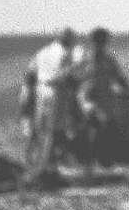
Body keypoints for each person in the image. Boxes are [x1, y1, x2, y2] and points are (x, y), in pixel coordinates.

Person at [20, 27, 83, 180]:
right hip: (57, 92)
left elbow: (30, 74)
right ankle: (45, 168)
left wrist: (27, 98)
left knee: (41, 129)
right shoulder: (67, 54)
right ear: (68, 39)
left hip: (41, 91)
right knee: (53, 131)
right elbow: (70, 76)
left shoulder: (43, 52)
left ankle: (34, 164)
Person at [73, 27, 129, 170]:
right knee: (93, 126)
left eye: (102, 42)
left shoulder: (109, 60)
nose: (100, 45)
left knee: (107, 129)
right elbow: (74, 77)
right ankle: (89, 161)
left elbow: (119, 77)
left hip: (105, 100)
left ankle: (104, 161)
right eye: (98, 42)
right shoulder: (85, 59)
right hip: (89, 99)